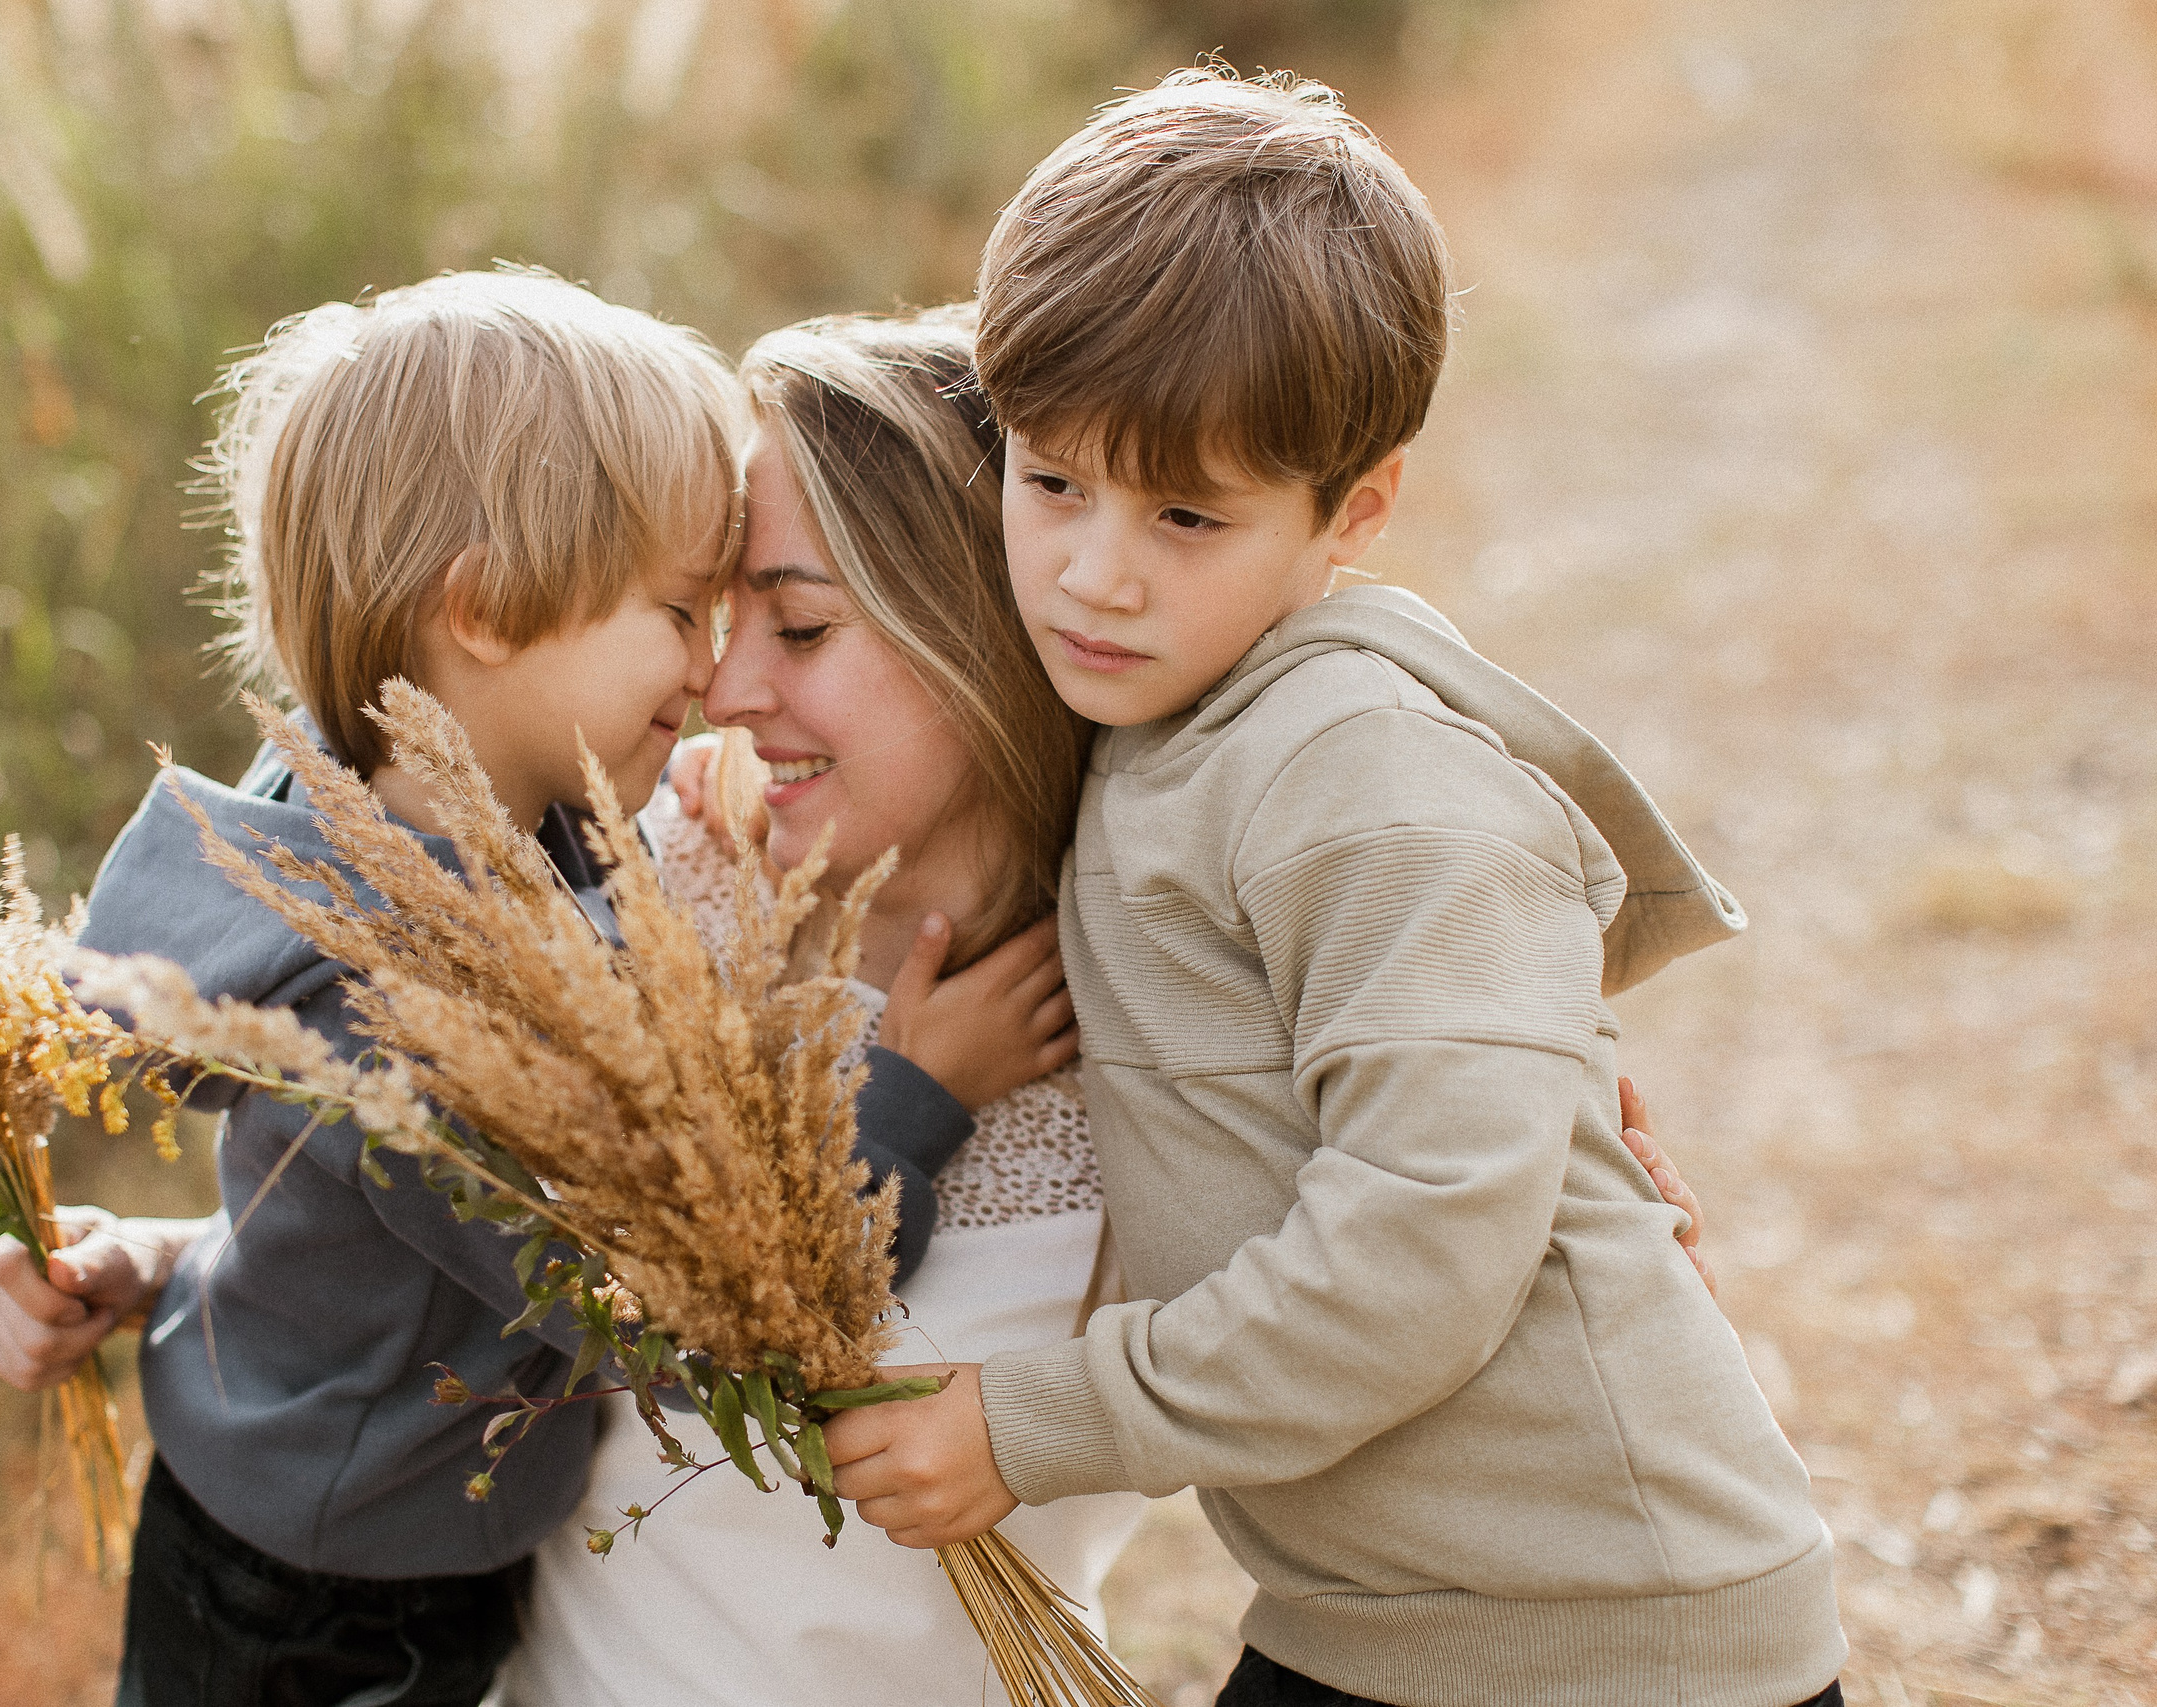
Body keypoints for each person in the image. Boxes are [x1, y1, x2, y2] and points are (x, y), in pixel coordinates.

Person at [498, 306, 1720, 1707]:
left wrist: (1582, 1218)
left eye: (800, 625)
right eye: (721, 623)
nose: (725, 686)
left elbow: (1426, 1277)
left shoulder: (1186, 1012)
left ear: (982, 628)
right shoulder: (654, 899)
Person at [822, 69, 1849, 1707]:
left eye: (1185, 513)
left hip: (1601, 1631)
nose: (1095, 569)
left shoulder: (1368, 780)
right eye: (1050, 479)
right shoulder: (1162, 723)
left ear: (1353, 512)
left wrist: (1035, 1423)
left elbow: (1421, 1247)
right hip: (1391, 1614)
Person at [0, 270, 1058, 1707]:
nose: (710, 675)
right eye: (678, 611)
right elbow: (687, 1330)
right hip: (337, 1607)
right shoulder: (425, 990)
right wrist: (912, 1098)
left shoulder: (405, 824)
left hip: (328, 1510)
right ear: (481, 608)